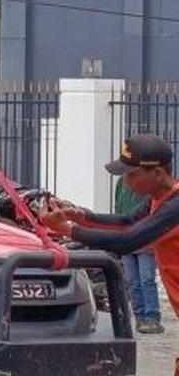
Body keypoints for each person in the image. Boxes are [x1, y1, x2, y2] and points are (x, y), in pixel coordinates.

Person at [42, 133, 179, 352]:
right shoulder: (158, 201)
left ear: (158, 173)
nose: (126, 182)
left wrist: (68, 230)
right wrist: (79, 215)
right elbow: (125, 222)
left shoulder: (174, 207)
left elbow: (126, 242)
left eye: (132, 175)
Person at [115, 174, 164, 333]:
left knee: (146, 280)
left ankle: (152, 318)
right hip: (126, 239)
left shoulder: (148, 184)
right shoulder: (121, 183)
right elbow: (118, 209)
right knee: (132, 282)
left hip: (145, 239)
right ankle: (139, 317)